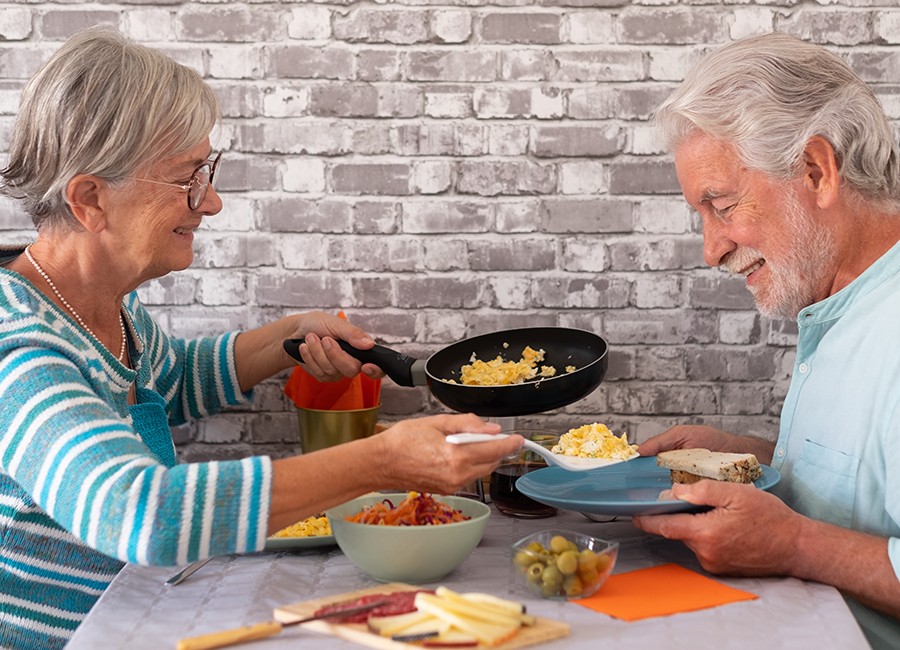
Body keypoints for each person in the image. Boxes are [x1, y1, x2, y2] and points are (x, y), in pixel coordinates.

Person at [0, 27, 522, 650]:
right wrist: (380, 461)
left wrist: (288, 337)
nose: (211, 202)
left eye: (207, 171)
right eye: (187, 178)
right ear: (90, 199)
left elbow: (170, 383)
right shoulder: (18, 345)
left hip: (134, 616)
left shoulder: (107, 309)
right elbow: (140, 511)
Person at [631, 32, 900, 649]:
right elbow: (871, 494)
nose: (711, 248)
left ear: (816, 171)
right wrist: (751, 457)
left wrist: (797, 543)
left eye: (721, 205)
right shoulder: (840, 304)